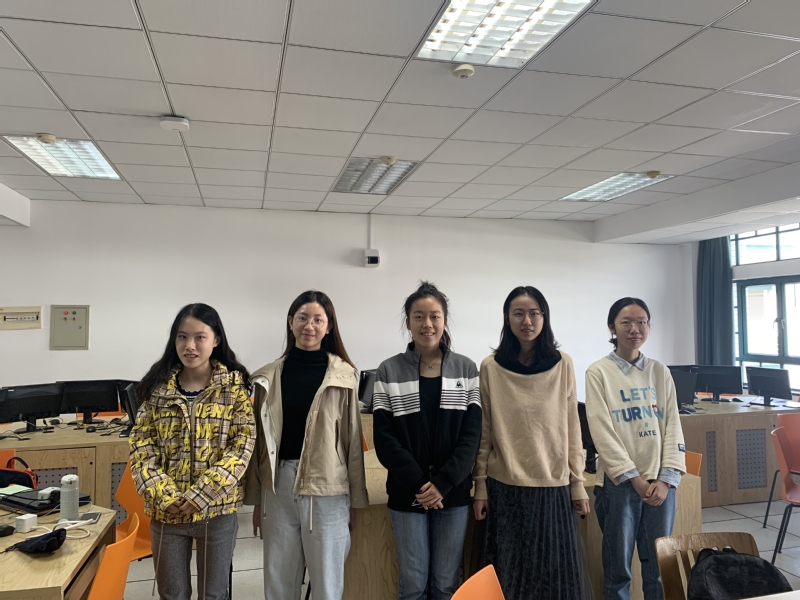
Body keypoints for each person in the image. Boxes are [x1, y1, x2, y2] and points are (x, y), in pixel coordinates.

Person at [244, 290, 368, 600]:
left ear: (329, 327)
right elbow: (259, 445)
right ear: (290, 322)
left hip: (327, 488)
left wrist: (355, 500)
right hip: (278, 486)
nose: (309, 326)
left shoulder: (343, 377)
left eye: (317, 320)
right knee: (279, 581)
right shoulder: (268, 377)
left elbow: (352, 442)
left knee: (327, 583)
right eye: (302, 318)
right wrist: (257, 499)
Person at [130, 303, 255, 600]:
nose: (190, 346)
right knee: (172, 594)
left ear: (216, 340)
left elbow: (242, 446)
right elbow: (141, 446)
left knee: (214, 594)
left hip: (217, 510)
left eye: (200, 337)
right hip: (167, 512)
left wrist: (202, 493)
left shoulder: (234, 388)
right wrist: (164, 495)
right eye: (182, 337)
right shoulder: (157, 389)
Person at [473, 285, 592, 600]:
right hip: (505, 487)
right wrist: (480, 487)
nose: (527, 321)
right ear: (507, 318)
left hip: (552, 486)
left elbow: (572, 428)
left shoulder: (563, 364)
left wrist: (578, 483)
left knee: (554, 579)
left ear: (544, 317)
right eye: (519, 313)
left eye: (534, 313)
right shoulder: (490, 367)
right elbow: (485, 433)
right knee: (509, 578)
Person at [373, 281, 482, 600]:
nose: (427, 324)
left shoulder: (466, 369)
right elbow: (384, 438)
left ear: (444, 320)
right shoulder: (389, 370)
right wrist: (422, 485)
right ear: (408, 322)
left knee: (447, 584)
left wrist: (443, 483)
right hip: (408, 492)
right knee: (413, 585)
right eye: (419, 316)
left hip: (453, 491)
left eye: (435, 316)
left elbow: (472, 436)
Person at [586, 297, 686, 600]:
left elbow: (673, 424)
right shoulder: (599, 372)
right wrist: (635, 478)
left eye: (641, 322)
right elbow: (602, 432)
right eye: (626, 322)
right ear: (612, 327)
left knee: (658, 567)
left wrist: (666, 479)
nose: (635, 329)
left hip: (660, 485)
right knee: (618, 571)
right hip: (620, 485)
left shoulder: (659, 371)